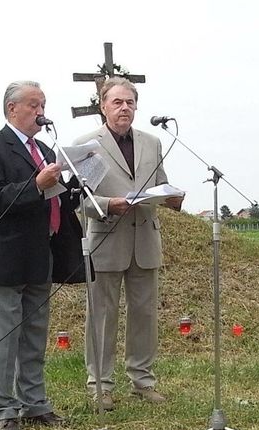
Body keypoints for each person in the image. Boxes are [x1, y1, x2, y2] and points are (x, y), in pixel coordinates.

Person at [0, 80, 86, 430]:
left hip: (40, 255)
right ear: (12, 109)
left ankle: (35, 403)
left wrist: (78, 185)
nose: (41, 112)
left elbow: (57, 202)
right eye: (34, 105)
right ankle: (3, 408)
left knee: (34, 337)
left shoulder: (48, 151)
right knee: (1, 340)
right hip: (3, 257)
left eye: (43, 104)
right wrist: (37, 183)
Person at [73, 77, 183, 410]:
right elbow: (82, 201)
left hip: (145, 239)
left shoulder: (152, 143)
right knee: (102, 316)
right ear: (102, 106)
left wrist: (171, 198)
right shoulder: (88, 144)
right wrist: (109, 205)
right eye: (117, 102)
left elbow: (159, 184)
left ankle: (142, 380)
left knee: (144, 315)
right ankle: (101, 386)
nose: (124, 108)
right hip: (107, 240)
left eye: (130, 102)